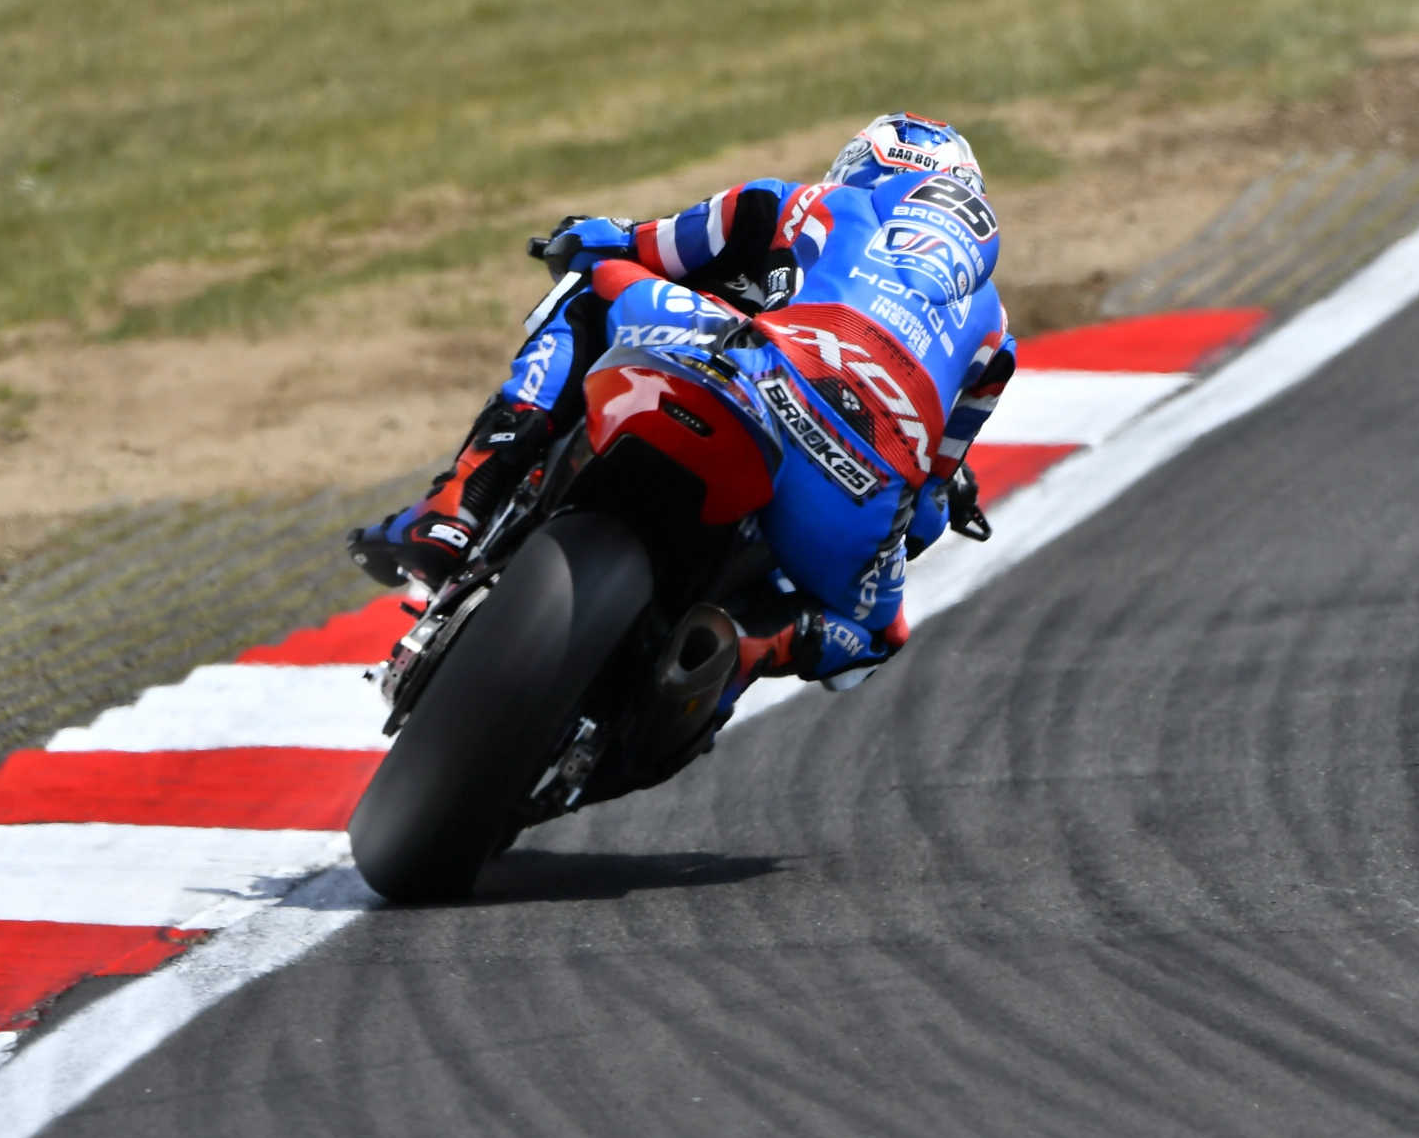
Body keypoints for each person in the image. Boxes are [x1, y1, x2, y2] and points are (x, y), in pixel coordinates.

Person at [348, 113, 1016, 705]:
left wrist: (579, 239)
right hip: (859, 490)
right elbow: (932, 485)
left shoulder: (804, 201)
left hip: (764, 374)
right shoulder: (996, 337)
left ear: (866, 168)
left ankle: (463, 500)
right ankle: (741, 648)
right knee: (878, 632)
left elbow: (647, 244)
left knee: (595, 283)